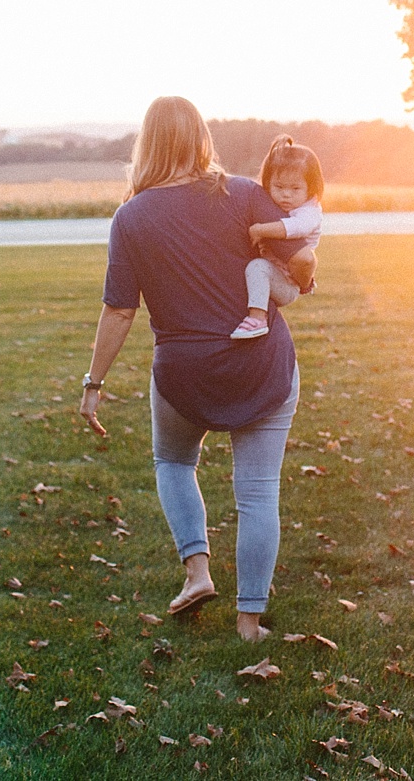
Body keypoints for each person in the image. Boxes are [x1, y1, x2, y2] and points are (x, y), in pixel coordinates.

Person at [78, 96, 306, 642]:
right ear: (202, 137)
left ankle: (197, 572)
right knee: (257, 493)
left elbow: (120, 310)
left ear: (147, 143)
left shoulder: (131, 215)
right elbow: (300, 264)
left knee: (174, 462)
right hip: (262, 362)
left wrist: (94, 384)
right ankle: (250, 623)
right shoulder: (247, 194)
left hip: (184, 370)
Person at [233, 136, 324, 340]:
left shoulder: (310, 211)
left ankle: (257, 319)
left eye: (295, 189)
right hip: (273, 272)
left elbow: (296, 227)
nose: (286, 195)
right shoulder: (270, 204)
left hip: (288, 281)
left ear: (311, 188)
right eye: (279, 187)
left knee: (257, 267)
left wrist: (260, 230)